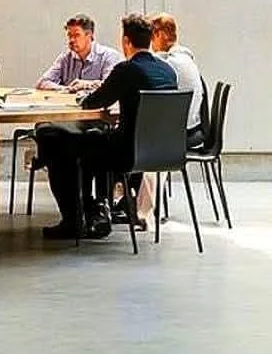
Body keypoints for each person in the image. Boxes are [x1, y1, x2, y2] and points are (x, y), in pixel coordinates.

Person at [35, 12, 177, 240]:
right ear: (150, 40)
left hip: (127, 153)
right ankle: (96, 211)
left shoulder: (127, 70)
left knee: (54, 141)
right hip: (163, 152)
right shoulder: (167, 71)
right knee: (93, 138)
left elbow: (95, 101)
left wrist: (82, 94)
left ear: (126, 42)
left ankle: (75, 219)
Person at [150, 12, 205, 148]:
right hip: (193, 127)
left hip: (180, 134)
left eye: (151, 36)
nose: (150, 43)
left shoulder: (168, 62)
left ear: (159, 34)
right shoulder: (184, 57)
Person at [36, 12, 122, 91]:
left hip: (97, 107)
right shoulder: (65, 58)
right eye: (69, 35)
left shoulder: (108, 56)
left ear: (89, 35)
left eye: (77, 35)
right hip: (69, 106)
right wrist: (67, 89)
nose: (71, 40)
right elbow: (42, 82)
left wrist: (86, 85)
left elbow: (112, 87)